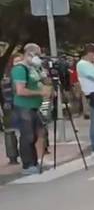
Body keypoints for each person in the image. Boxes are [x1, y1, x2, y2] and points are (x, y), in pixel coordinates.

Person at [10, 44, 50, 174]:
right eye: (37, 55)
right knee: (28, 135)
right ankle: (27, 165)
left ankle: (34, 161)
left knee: (38, 133)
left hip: (35, 106)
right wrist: (40, 93)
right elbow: (20, 90)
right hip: (24, 106)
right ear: (30, 54)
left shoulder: (34, 67)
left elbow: (43, 80)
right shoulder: (20, 69)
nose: (39, 57)